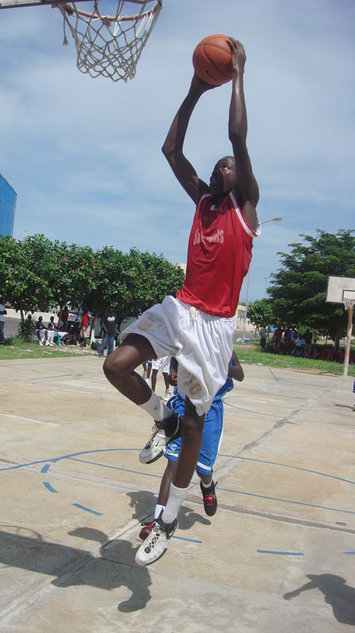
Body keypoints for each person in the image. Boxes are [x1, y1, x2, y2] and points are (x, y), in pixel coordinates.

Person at [103, 39, 260, 566]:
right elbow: (170, 150)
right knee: (116, 364)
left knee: (197, 426)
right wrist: (194, 89)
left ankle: (167, 523)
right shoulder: (202, 201)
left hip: (214, 328)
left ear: (241, 179)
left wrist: (235, 75)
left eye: (229, 167)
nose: (222, 168)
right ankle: (159, 419)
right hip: (181, 308)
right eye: (217, 166)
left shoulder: (246, 210)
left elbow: (237, 135)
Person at [139, 352, 244, 540]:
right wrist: (173, 371)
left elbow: (240, 374)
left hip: (210, 411)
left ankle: (207, 485)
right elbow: (175, 358)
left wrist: (220, 367)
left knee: (203, 468)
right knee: (172, 462)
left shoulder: (224, 347)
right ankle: (158, 520)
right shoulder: (189, 340)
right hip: (182, 405)